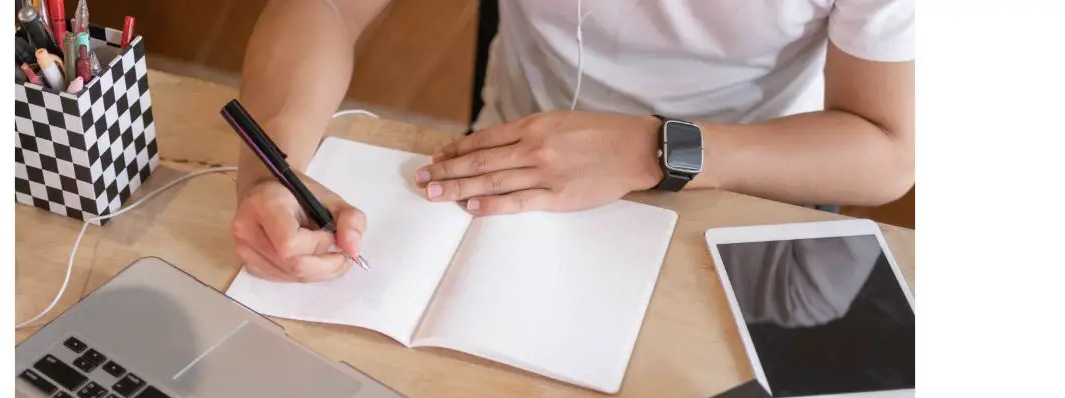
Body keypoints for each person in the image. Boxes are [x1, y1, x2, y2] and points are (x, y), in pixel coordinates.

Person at [232, 0, 914, 283]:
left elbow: (886, 147)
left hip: (744, 183)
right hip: (507, 166)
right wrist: (274, 165)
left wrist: (650, 149)